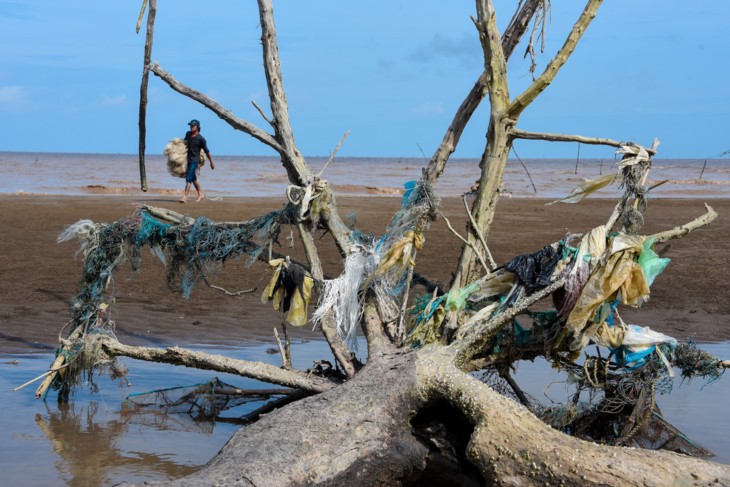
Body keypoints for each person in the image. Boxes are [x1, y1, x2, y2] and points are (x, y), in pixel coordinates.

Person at [180, 119, 215, 203]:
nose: (191, 127)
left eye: (193, 126)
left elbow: (207, 152)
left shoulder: (201, 139)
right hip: (188, 159)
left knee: (188, 178)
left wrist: (211, 162)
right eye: (190, 125)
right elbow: (183, 143)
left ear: (198, 127)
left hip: (195, 161)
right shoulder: (188, 134)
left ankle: (185, 197)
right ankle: (200, 193)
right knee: (193, 178)